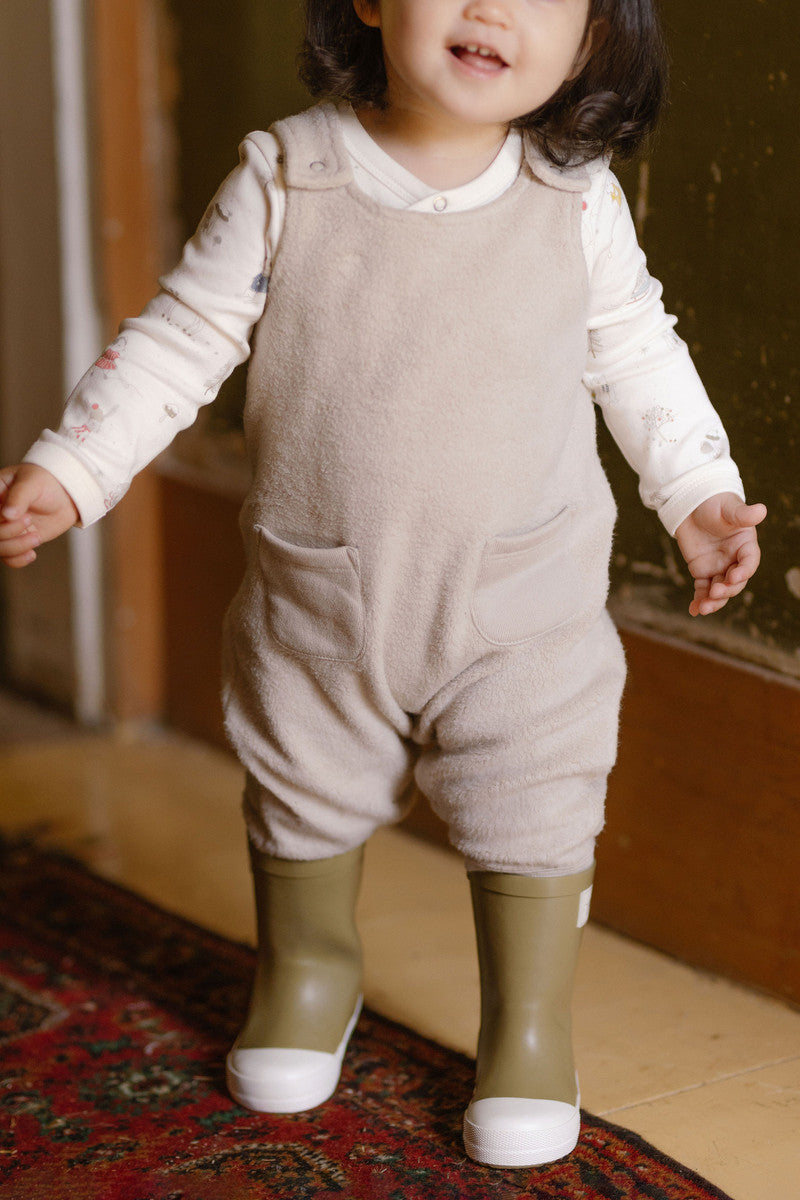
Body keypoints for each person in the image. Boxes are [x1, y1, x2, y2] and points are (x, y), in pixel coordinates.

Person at [0, 0, 765, 1171]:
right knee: (300, 773)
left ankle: (526, 1023)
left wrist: (698, 493)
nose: (490, 9)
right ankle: (309, 969)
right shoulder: (289, 176)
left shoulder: (573, 198)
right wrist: (74, 469)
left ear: (590, 38)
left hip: (519, 601)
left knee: (534, 792)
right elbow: (181, 336)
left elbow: (635, 352)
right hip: (322, 595)